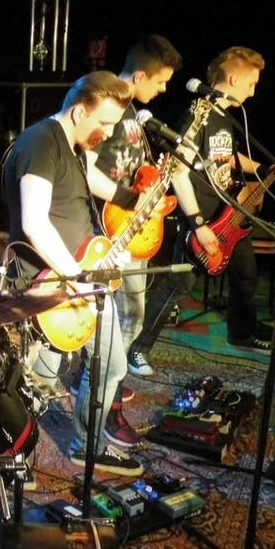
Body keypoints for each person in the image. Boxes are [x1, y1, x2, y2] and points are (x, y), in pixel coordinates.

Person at [3, 71, 148, 476]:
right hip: (52, 284)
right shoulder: (40, 142)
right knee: (35, 382)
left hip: (85, 277)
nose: (109, 133)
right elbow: (34, 222)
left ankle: (87, 446)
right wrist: (76, 279)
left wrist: (125, 202)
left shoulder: (76, 144)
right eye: (104, 122)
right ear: (80, 111)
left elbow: (83, 189)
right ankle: (12, 458)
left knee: (111, 366)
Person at [127, 46, 275, 374]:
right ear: (234, 79)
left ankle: (241, 333)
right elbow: (178, 170)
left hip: (228, 214)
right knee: (178, 286)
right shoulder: (198, 114)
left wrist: (262, 168)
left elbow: (227, 158)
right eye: (251, 84)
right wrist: (197, 223)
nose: (253, 92)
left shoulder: (226, 116)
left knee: (246, 273)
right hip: (200, 217)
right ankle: (137, 349)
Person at [94, 34, 182, 378]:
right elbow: (86, 169)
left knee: (131, 312)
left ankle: (106, 383)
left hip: (134, 222)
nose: (163, 89)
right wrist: (130, 199)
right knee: (124, 314)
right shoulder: (108, 106)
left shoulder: (133, 113)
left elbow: (132, 166)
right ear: (140, 76)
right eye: (160, 82)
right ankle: (104, 386)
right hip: (111, 226)